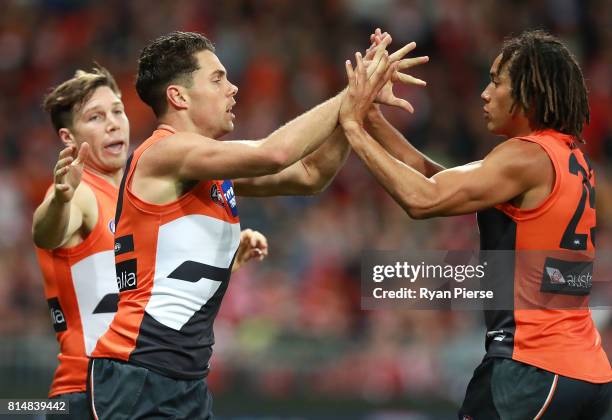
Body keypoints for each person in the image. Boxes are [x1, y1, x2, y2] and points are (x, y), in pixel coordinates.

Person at [86, 29, 426, 419]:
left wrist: (356, 113)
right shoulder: (165, 152)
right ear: (178, 97)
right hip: (139, 374)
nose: (232, 89)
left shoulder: (207, 170)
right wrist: (353, 91)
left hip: (184, 380)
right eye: (217, 79)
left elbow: (311, 175)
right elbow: (275, 153)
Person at [339, 29, 611, 419]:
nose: (485, 93)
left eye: (497, 81)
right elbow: (436, 180)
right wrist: (371, 118)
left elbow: (422, 199)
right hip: (588, 373)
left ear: (529, 94)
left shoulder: (523, 157)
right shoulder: (569, 158)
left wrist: (350, 127)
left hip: (531, 370)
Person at [33, 66, 270, 420]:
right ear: (69, 138)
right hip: (82, 395)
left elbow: (149, 283)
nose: (113, 123)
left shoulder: (141, 195)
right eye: (95, 118)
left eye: (117, 111)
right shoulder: (80, 194)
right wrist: (60, 198)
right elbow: (47, 233)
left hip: (129, 389)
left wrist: (226, 257)